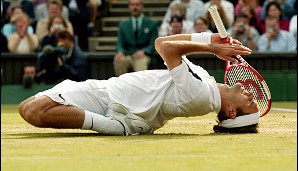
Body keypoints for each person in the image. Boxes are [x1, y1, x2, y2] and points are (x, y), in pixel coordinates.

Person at [18, 32, 260, 136]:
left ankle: (112, 126)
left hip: (112, 101)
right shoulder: (206, 82)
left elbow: (163, 48)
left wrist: (210, 47)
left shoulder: (200, 96)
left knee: (34, 112)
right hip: (110, 92)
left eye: (250, 104)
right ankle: (115, 126)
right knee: (25, 106)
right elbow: (162, 41)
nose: (251, 94)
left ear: (230, 112)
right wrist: (209, 40)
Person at [113, 0, 158, 76]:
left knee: (141, 63)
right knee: (119, 61)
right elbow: (119, 43)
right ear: (129, 7)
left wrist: (144, 51)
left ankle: (139, 87)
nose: (135, 7)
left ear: (142, 6)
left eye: (137, 5)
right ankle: (123, 87)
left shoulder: (152, 24)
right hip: (128, 54)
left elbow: (153, 44)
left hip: (144, 56)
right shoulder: (123, 25)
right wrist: (120, 52)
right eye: (132, 5)